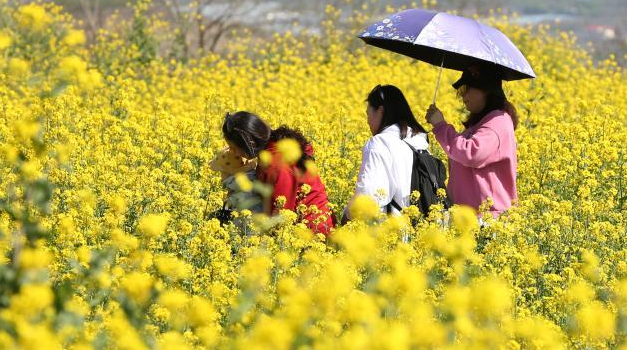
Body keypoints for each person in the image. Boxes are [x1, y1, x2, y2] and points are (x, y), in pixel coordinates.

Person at [221, 111, 336, 237]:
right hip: (302, 228)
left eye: (234, 148)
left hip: (312, 233)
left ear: (250, 143)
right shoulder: (273, 147)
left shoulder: (277, 166)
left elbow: (281, 216)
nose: (234, 153)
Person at [424, 64, 519, 217]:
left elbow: (471, 153)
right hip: (468, 217)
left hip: (488, 219)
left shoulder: (498, 121)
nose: (462, 96)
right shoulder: (480, 123)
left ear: (485, 90)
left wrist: (441, 126)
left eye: (467, 89)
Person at [343, 84, 431, 221]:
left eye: (368, 114)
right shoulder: (420, 142)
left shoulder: (379, 143)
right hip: (423, 233)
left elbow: (367, 196)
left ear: (380, 111)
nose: (367, 121)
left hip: (390, 233)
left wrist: (346, 217)